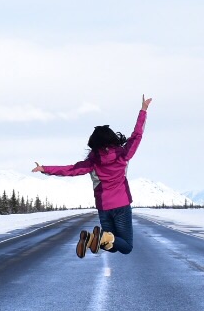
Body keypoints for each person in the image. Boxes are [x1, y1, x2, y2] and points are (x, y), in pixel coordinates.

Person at [34, 96, 151, 258]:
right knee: (126, 247)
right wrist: (143, 110)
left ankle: (90, 239)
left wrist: (45, 168)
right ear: (112, 138)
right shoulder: (123, 155)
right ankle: (101, 237)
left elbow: (70, 170)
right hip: (122, 205)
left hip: (104, 207)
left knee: (111, 245)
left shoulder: (92, 162)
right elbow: (137, 135)